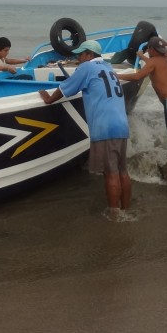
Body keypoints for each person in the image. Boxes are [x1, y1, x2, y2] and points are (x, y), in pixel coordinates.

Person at [38, 40, 131, 220]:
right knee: (122, 171)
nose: (78, 58)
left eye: (80, 54)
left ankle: (115, 215)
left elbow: (65, 89)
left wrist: (48, 99)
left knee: (110, 172)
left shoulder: (87, 67)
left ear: (89, 55)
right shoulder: (108, 68)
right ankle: (126, 210)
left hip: (105, 127)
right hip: (122, 124)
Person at [116, 36, 167, 187]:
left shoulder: (154, 62)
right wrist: (141, 56)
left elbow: (137, 76)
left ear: (151, 50)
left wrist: (114, 75)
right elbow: (153, 65)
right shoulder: (165, 60)